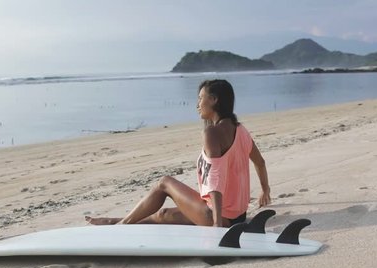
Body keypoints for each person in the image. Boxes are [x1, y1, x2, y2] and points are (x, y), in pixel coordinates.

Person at [86, 79, 271, 227]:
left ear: (214, 100)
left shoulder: (211, 133)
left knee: (164, 183)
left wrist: (216, 224)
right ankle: (116, 222)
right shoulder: (241, 130)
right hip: (238, 216)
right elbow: (260, 162)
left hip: (217, 216)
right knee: (163, 215)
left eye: (201, 98)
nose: (197, 104)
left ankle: (121, 225)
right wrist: (265, 190)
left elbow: (215, 178)